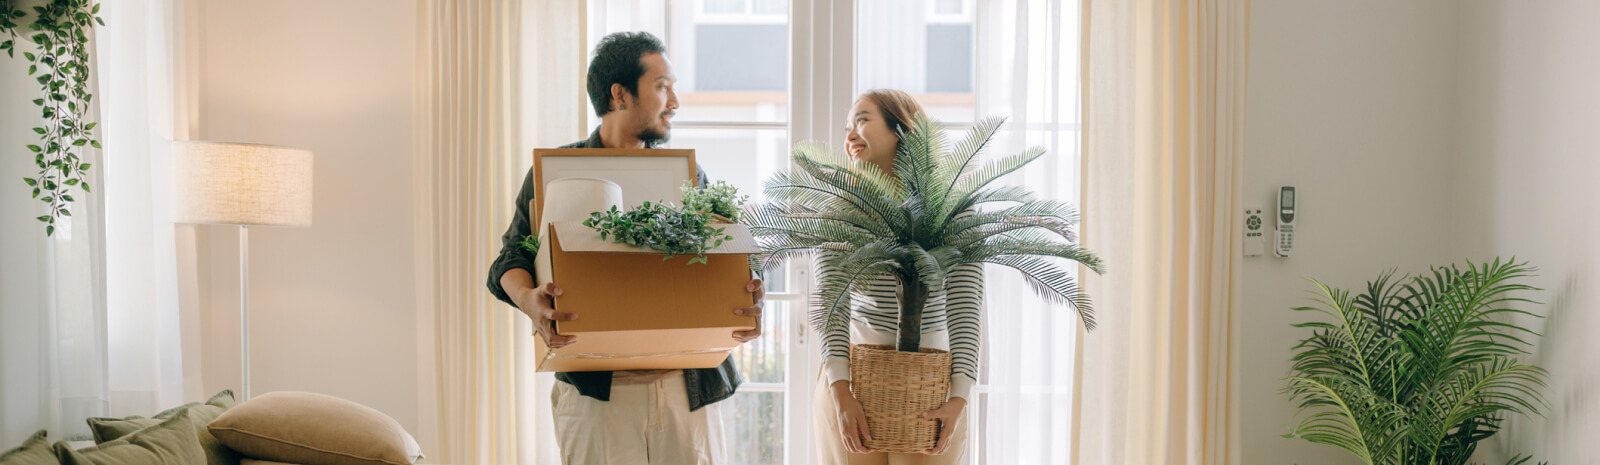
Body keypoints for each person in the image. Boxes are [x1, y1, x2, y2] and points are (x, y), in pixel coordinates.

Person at [486, 31, 764, 465]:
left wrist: (745, 292)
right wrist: (529, 301)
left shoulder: (690, 177)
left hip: (687, 391)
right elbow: (511, 258)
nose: (674, 102)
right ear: (620, 94)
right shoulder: (557, 172)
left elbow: (724, 257)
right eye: (661, 86)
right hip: (598, 395)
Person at [812, 89, 983, 464]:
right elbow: (831, 306)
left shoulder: (952, 207)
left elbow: (965, 308)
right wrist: (840, 392)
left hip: (932, 385)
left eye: (862, 119)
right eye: (846, 127)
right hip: (851, 382)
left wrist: (958, 398)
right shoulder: (839, 209)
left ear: (901, 129)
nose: (850, 134)